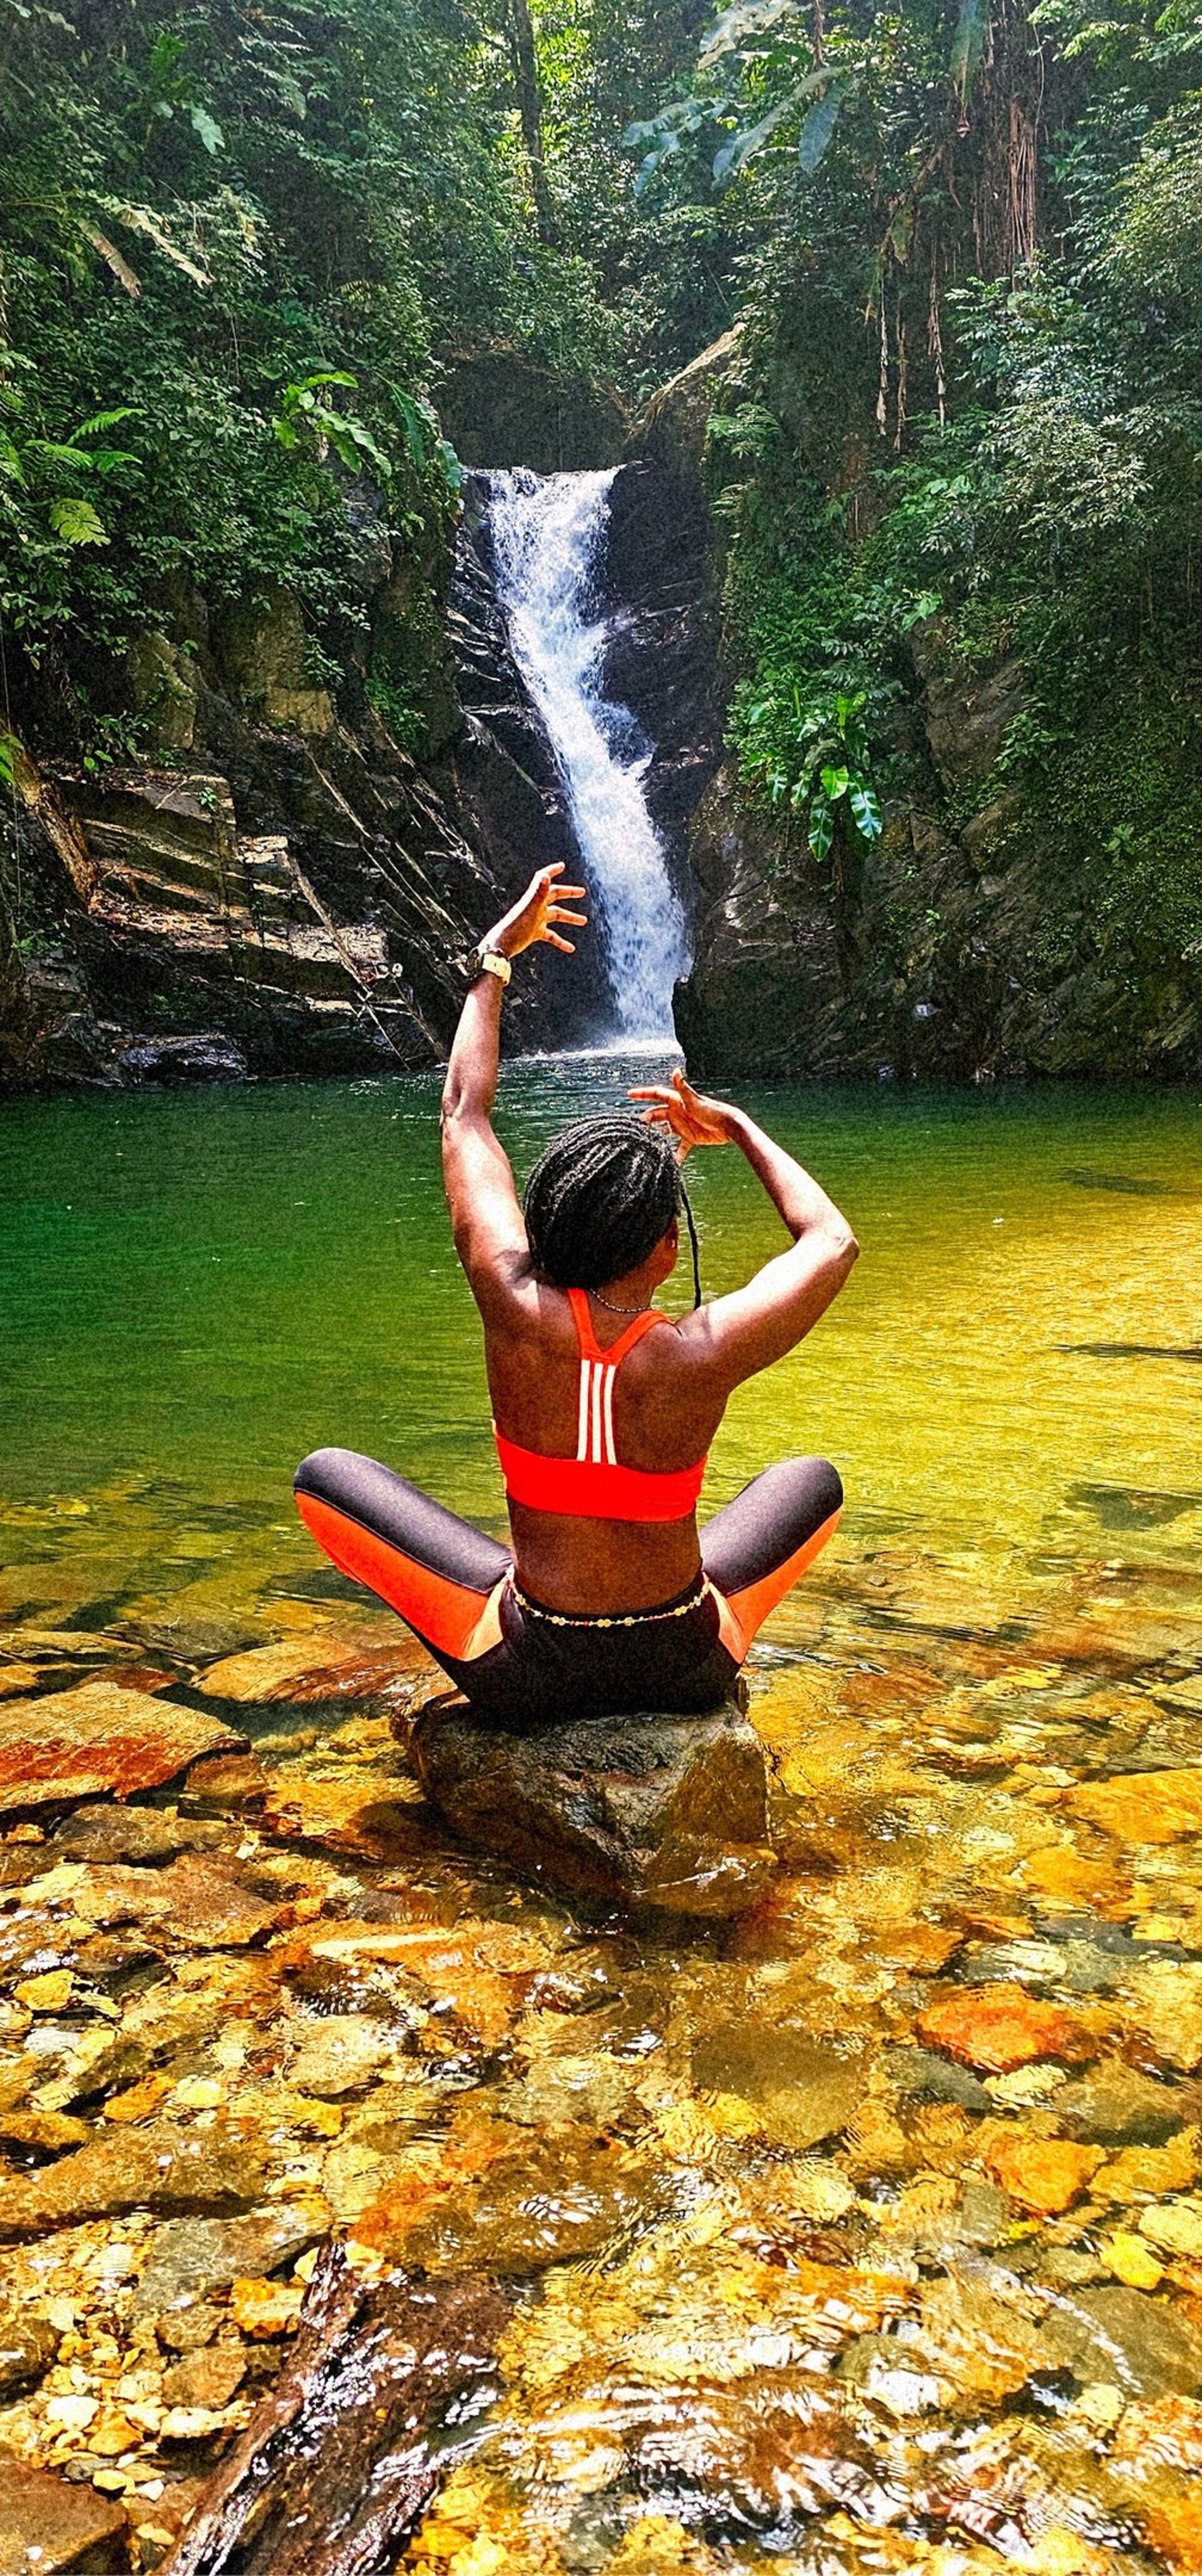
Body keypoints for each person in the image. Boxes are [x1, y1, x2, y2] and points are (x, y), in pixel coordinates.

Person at [295, 863, 858, 1724]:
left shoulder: (507, 1296)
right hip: (684, 1665)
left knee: (324, 1479)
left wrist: (495, 957)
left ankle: (523, 1607)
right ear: (668, 1250)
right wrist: (736, 1124)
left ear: (547, 1219)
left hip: (530, 1671)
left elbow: (463, 1114)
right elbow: (831, 1239)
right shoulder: (699, 1352)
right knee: (811, 1481)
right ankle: (713, 1618)